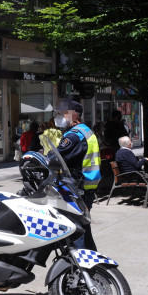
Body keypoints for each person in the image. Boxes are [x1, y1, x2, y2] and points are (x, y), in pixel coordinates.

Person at [57, 101, 100, 250]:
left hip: (76, 188)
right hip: (87, 186)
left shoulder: (74, 136)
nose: (59, 117)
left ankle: (79, 265)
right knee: (83, 227)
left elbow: (57, 157)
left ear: (73, 115)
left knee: (75, 230)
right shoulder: (86, 131)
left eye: (62, 114)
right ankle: (93, 262)